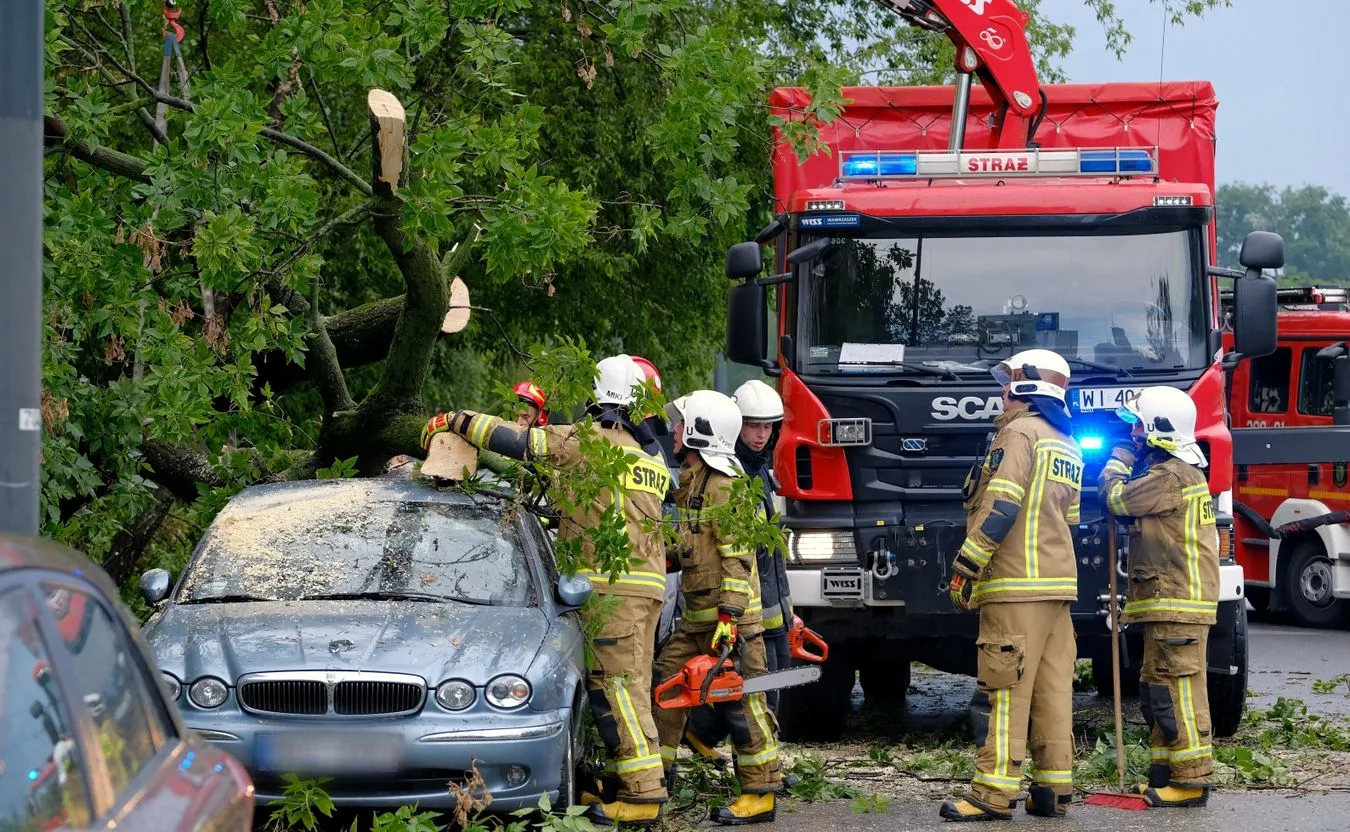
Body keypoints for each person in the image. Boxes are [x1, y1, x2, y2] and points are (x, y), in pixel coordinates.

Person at [421, 355, 671, 827]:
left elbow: (513, 440)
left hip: (610, 587)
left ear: (597, 395)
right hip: (648, 586)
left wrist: (455, 419)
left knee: (615, 689)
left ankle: (642, 796)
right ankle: (636, 781)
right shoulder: (650, 451)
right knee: (635, 687)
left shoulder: (587, 441)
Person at [940, 349, 1082, 822]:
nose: (1002, 392)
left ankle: (992, 795)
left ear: (1028, 387)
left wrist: (966, 566)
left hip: (1015, 584)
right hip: (1057, 588)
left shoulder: (1018, 434)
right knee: (1053, 692)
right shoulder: (1068, 442)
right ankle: (1052, 792)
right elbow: (1071, 518)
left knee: (1004, 692)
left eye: (1010, 382)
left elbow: (1000, 507)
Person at [655, 390, 782, 826]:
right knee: (664, 683)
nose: (673, 431)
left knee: (742, 703)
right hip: (697, 621)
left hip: (730, 624)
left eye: (680, 424)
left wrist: (728, 617)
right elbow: (690, 549)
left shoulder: (725, 486)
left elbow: (737, 557)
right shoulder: (694, 483)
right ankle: (658, 775)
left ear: (698, 431)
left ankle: (761, 791)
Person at [1098, 386, 1218, 808]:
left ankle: (1190, 782)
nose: (1131, 432)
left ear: (1156, 429)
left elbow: (1114, 500)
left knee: (1178, 694)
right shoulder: (1180, 472)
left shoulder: (1168, 476)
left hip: (1176, 603)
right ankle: (1164, 773)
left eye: (1136, 425)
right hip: (1170, 604)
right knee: (1157, 691)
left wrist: (1117, 462)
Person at [684, 380, 793, 770]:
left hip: (771, 608)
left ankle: (765, 765)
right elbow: (738, 552)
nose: (761, 435)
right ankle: (757, 770)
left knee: (769, 690)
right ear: (735, 424)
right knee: (749, 692)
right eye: (753, 426)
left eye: (768, 426)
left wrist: (789, 609)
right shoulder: (732, 474)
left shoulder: (761, 472)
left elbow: (770, 551)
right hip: (746, 611)